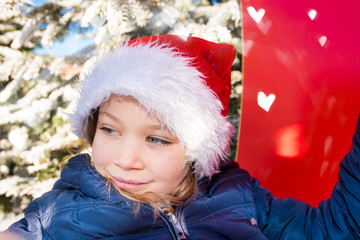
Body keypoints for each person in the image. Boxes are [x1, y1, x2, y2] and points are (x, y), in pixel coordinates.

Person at [0, 35, 359, 239]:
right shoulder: (58, 213)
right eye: (109, 130)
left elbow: (330, 231)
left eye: (156, 139)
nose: (125, 159)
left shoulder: (240, 198)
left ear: (194, 149)